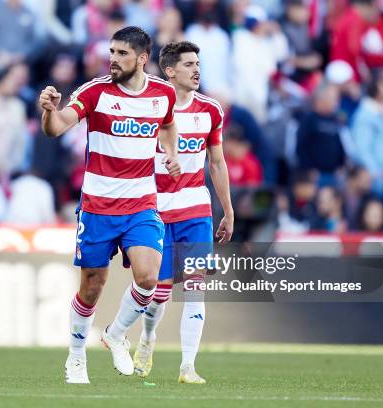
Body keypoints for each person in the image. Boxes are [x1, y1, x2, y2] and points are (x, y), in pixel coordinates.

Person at [38, 26, 180, 384]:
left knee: (149, 277)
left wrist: (171, 153)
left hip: (141, 205)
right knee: (92, 287)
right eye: (111, 52)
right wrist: (49, 111)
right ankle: (75, 356)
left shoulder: (163, 93)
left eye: (121, 54)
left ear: (143, 58)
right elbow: (56, 128)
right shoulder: (96, 91)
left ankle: (116, 333)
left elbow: (167, 124)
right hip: (98, 207)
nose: (113, 59)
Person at [132, 41, 233, 384]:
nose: (196, 70)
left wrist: (228, 210)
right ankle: (147, 339)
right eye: (189, 64)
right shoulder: (152, 107)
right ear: (170, 71)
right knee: (158, 291)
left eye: (198, 63)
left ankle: (188, 366)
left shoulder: (211, 110)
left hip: (195, 210)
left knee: (195, 286)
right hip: (156, 210)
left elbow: (217, 163)